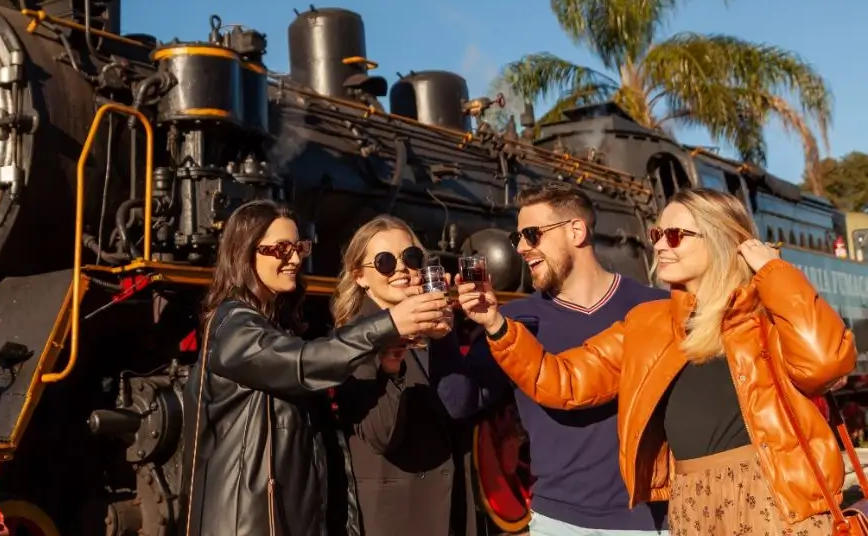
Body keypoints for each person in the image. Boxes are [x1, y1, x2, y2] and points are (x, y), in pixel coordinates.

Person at [463, 187, 857, 536]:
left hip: (773, 497)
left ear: (719, 238)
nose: (660, 246)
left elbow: (826, 364)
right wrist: (497, 325)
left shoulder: (767, 313)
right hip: (691, 505)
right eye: (657, 235)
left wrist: (775, 272)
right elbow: (564, 381)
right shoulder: (649, 321)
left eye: (675, 235)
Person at [180, 200, 452, 536]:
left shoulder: (274, 325)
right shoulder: (232, 326)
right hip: (248, 522)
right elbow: (303, 362)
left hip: (280, 515)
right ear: (245, 253)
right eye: (281, 249)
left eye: (299, 247)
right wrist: (389, 324)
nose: (295, 259)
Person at [461, 182, 670, 535]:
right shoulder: (512, 320)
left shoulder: (654, 308)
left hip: (647, 522)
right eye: (517, 238)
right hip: (556, 522)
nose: (521, 248)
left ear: (576, 231)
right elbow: (460, 402)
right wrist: (438, 335)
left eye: (532, 234)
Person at [330, 214, 481, 536]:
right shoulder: (356, 338)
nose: (401, 269)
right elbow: (381, 435)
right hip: (396, 515)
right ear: (360, 276)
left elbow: (460, 407)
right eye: (384, 262)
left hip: (447, 507)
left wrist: (444, 337)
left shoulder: (430, 330)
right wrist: (391, 362)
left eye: (411, 258)